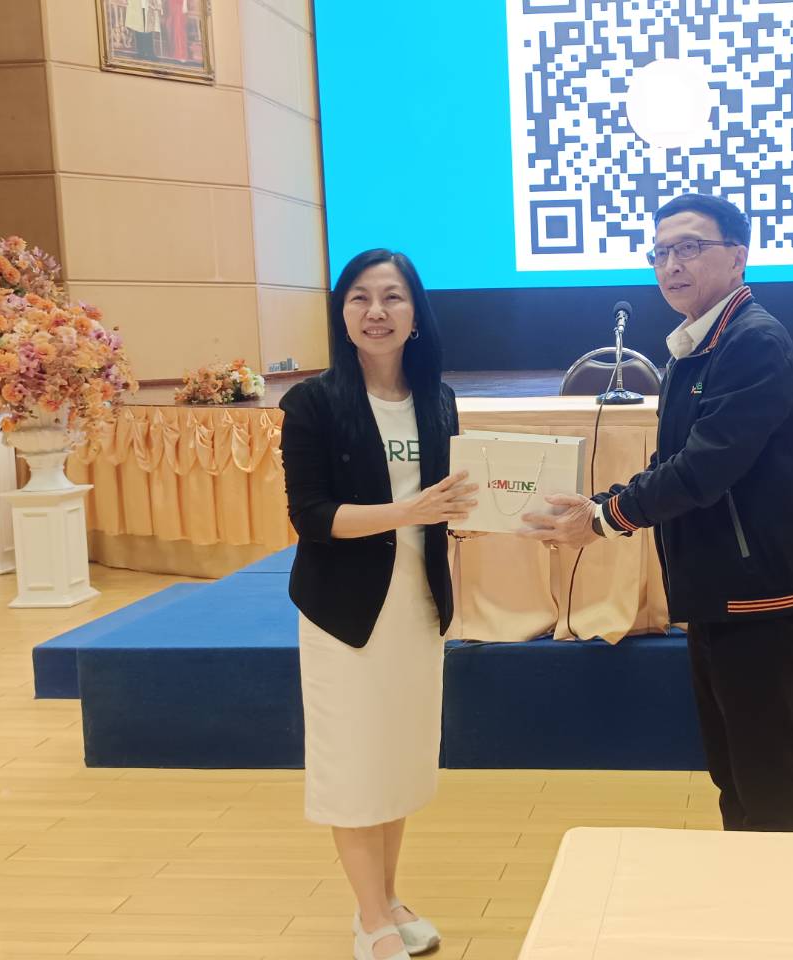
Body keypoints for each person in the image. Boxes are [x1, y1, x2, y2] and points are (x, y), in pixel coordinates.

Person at [522, 194, 793, 832]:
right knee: (731, 766)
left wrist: (603, 520)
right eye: (660, 252)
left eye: (690, 247)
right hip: (715, 584)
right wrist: (601, 504)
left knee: (763, 768)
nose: (671, 264)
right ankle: (746, 876)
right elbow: (674, 462)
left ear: (738, 257)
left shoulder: (752, 341)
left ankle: (783, 888)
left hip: (755, 592)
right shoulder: (698, 343)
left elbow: (704, 469)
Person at [279, 249, 478, 960]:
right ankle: (369, 920)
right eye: (360, 297)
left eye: (392, 297)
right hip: (345, 612)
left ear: (415, 313)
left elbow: (447, 502)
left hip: (418, 607)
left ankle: (388, 899)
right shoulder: (313, 403)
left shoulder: (438, 399)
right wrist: (408, 510)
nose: (376, 312)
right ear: (342, 313)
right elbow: (310, 516)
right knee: (354, 762)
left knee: (397, 757)